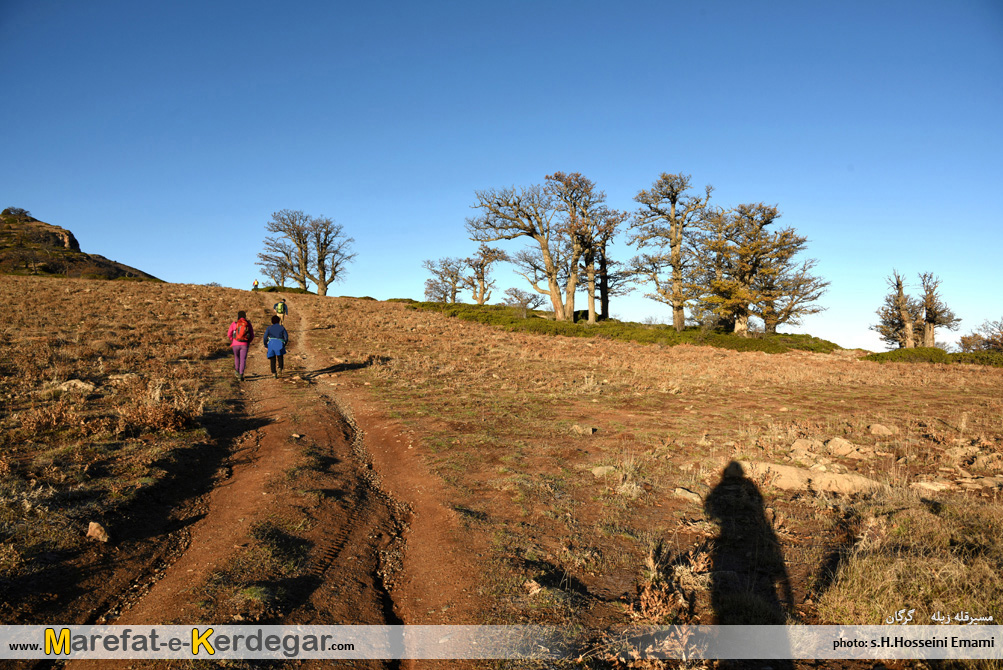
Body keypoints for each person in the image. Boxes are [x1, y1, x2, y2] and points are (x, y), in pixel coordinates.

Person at [227, 310, 254, 381]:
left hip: (235, 343)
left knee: (236, 357)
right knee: (243, 359)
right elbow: (252, 335)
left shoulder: (234, 324)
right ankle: (241, 374)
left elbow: (229, 334)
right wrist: (248, 342)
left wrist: (232, 340)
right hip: (244, 344)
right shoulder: (248, 324)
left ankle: (236, 371)